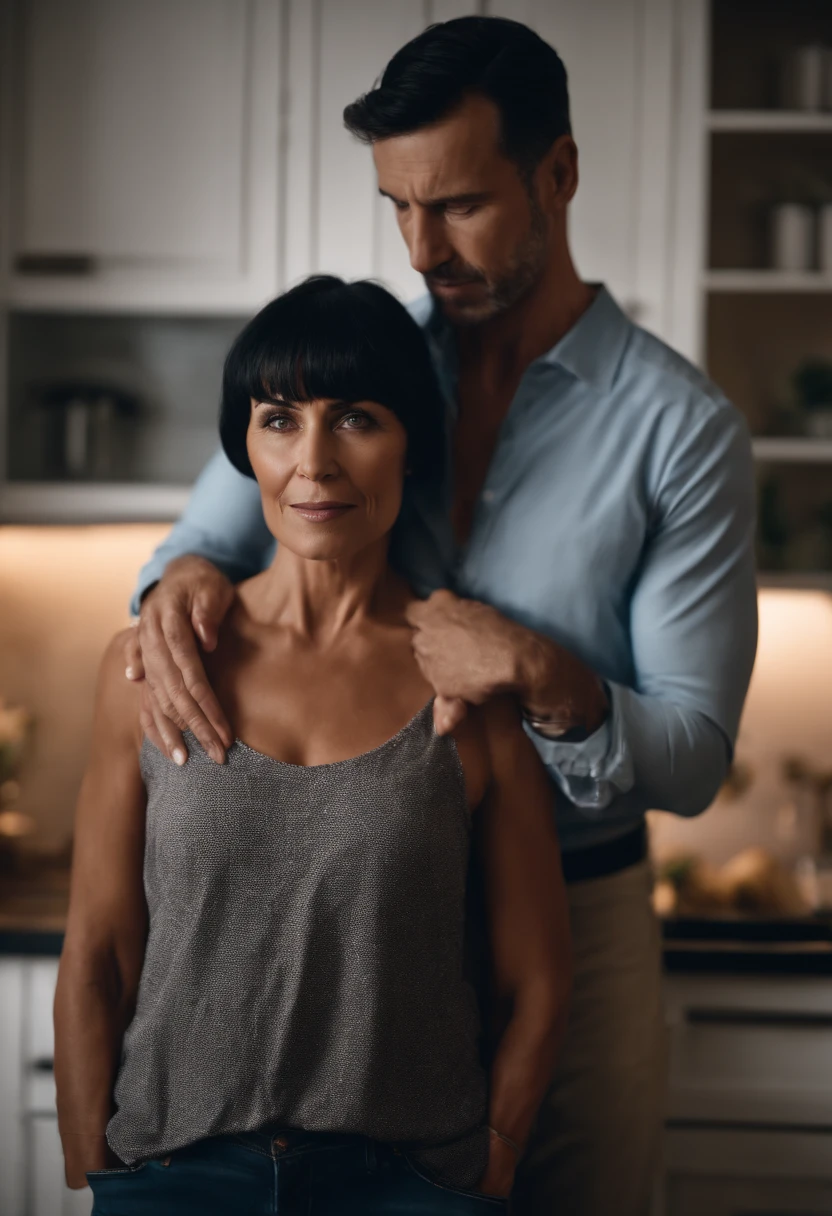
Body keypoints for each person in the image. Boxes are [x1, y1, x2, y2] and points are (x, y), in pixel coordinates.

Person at [124, 17, 758, 1216]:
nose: (423, 248)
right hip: (365, 916)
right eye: (398, 207)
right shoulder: (358, 369)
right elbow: (197, 539)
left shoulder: (682, 434)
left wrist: (540, 674)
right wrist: (182, 587)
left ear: (557, 174)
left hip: (579, 904)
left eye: (459, 204)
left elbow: (693, 758)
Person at [54, 276, 571, 1216]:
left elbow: (535, 976)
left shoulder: (469, 689)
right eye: (280, 420)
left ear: (412, 443)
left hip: (410, 1184)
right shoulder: (148, 665)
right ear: (244, 445)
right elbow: (95, 948)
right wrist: (96, 1171)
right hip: (175, 1177)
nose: (316, 463)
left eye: (358, 419)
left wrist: (490, 1166)